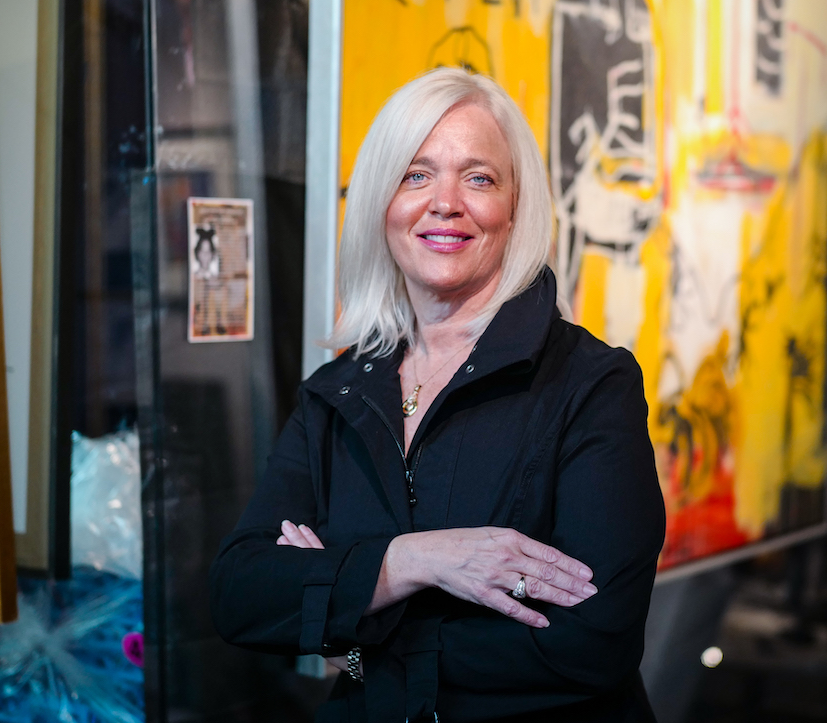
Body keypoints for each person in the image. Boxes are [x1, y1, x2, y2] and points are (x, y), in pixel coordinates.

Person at [210, 67, 666, 722]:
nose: (445, 202)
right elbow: (240, 594)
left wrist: (352, 626)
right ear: (382, 202)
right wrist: (411, 561)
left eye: (478, 178)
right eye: (415, 175)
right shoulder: (336, 392)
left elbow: (593, 642)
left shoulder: (590, 384)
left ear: (515, 208)